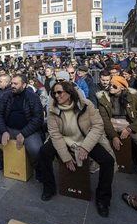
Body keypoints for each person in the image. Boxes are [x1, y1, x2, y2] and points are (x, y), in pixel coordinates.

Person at [39, 80, 115, 216]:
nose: (56, 95)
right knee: (44, 152)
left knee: (108, 161)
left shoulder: (86, 105)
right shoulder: (52, 110)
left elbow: (98, 126)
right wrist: (66, 157)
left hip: (85, 138)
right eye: (54, 93)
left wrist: (85, 148)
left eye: (59, 92)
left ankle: (103, 199)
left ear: (69, 92)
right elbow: (55, 134)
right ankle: (48, 188)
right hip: (63, 138)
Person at [97, 75, 137, 184]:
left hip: (128, 123)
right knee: (98, 137)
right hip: (110, 123)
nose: (110, 87)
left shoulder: (133, 96)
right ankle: (106, 165)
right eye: (110, 85)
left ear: (122, 87)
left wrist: (130, 129)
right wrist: (114, 136)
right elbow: (104, 120)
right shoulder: (103, 97)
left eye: (114, 86)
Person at [0, 74, 45, 172]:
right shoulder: (6, 95)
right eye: (12, 83)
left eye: (16, 84)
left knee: (36, 150)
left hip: (28, 131)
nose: (12, 86)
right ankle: (3, 160)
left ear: (24, 85)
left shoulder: (33, 97)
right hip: (8, 128)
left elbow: (38, 119)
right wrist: (3, 131)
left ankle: (36, 167)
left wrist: (24, 133)